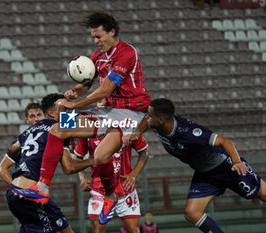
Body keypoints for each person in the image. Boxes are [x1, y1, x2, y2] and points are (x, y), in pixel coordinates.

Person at [14, 11, 151, 224]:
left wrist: (74, 104)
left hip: (131, 114)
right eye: (93, 38)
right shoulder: (97, 56)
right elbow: (87, 83)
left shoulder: (127, 53)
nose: (96, 42)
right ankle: (42, 187)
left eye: (98, 37)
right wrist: (74, 92)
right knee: (58, 128)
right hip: (108, 112)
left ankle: (110, 196)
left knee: (100, 156)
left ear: (112, 31)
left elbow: (105, 90)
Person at [123, 98, 266, 233]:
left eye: (150, 115)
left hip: (225, 166)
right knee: (192, 213)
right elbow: (146, 122)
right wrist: (137, 132)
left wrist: (237, 162)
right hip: (205, 173)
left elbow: (225, 141)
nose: (146, 116)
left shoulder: (189, 133)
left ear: (160, 120)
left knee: (262, 194)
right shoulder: (156, 123)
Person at [0, 94, 94, 233]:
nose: (69, 112)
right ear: (51, 112)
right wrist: (92, 160)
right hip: (31, 194)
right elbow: (69, 167)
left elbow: (3, 166)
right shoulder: (59, 128)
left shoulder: (27, 132)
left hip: (13, 194)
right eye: (65, 108)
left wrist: (17, 188)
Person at [75, 134, 149, 232]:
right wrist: (82, 178)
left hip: (125, 188)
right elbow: (78, 157)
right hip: (100, 190)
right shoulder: (89, 130)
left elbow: (144, 152)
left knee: (134, 230)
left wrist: (134, 174)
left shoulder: (128, 126)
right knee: (97, 230)